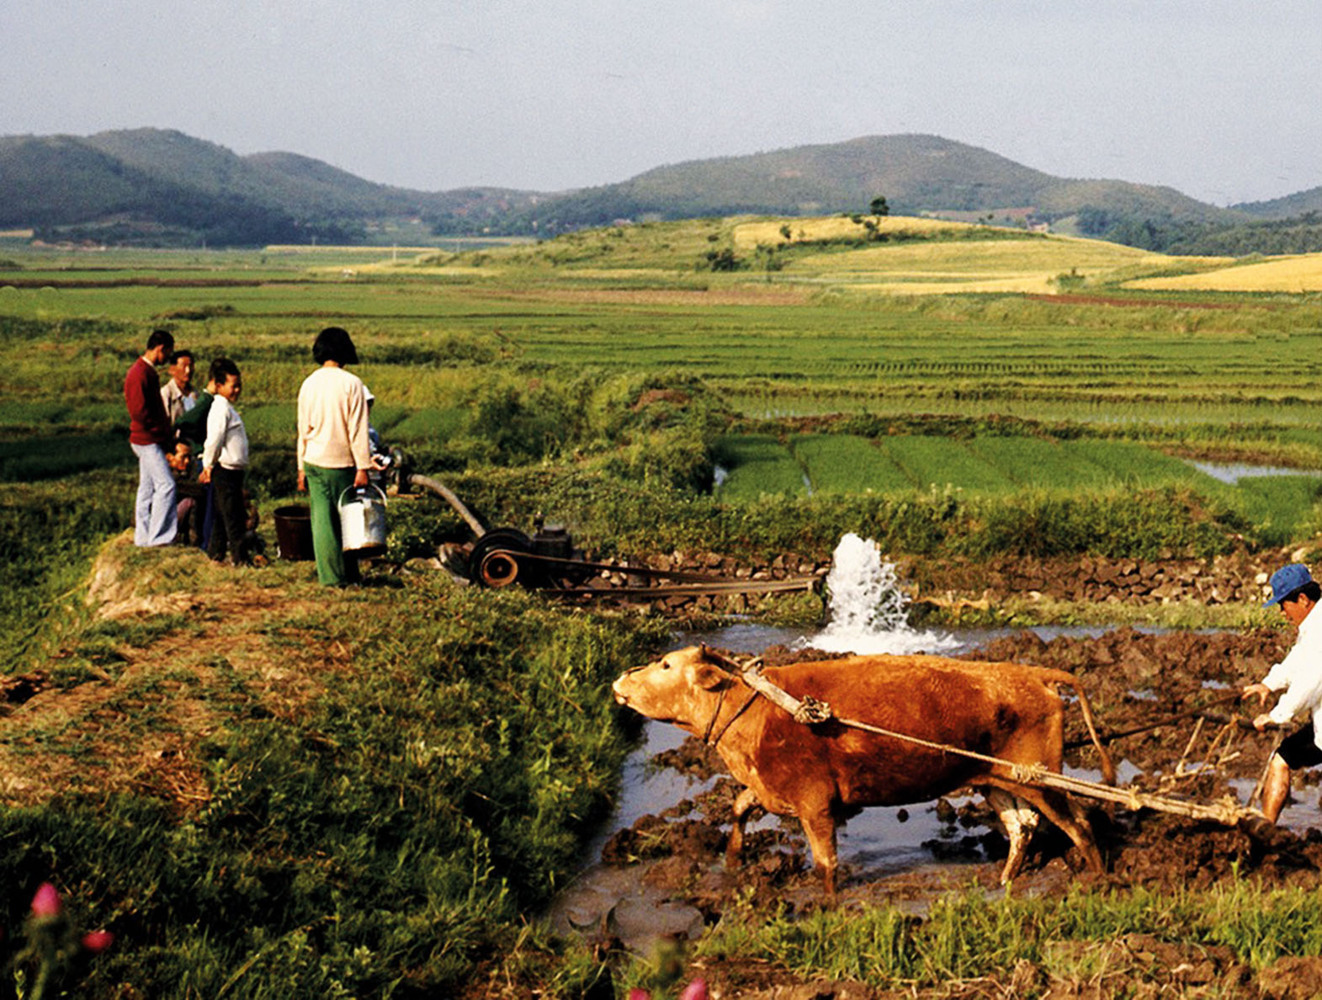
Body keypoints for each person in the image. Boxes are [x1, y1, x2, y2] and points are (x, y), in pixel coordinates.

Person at [1242, 563, 1322, 823]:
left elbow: (1312, 680)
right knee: (1283, 758)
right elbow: (1298, 660)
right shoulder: (1313, 626)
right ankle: (1266, 830)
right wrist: (1268, 684)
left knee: (1282, 759)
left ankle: (1265, 830)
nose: (1282, 612)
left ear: (1302, 599)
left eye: (1283, 604)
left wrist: (1277, 715)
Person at [297, 326, 371, 586]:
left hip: (313, 460)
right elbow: (358, 431)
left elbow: (302, 430)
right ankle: (348, 575)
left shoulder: (309, 383)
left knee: (322, 522)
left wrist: (300, 468)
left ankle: (330, 577)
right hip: (341, 464)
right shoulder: (352, 384)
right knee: (347, 521)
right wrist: (363, 467)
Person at [124, 329, 177, 546]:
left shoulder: (145, 371)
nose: (168, 358)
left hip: (146, 438)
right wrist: (160, 434)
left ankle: (143, 537)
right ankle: (159, 537)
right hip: (146, 439)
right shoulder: (140, 374)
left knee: (146, 488)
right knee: (167, 485)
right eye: (168, 353)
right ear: (160, 349)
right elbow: (140, 412)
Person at [200, 358, 254, 566]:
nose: (237, 390)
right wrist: (208, 464)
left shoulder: (227, 408)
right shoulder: (220, 409)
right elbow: (214, 439)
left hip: (234, 471)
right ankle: (240, 559)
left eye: (239, 385)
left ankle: (216, 552)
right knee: (233, 517)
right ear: (219, 386)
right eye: (233, 386)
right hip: (226, 471)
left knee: (222, 515)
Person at [160, 349, 196, 424]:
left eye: (190, 366)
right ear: (172, 369)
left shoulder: (195, 393)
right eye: (184, 366)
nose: (188, 370)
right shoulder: (166, 393)